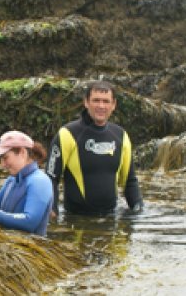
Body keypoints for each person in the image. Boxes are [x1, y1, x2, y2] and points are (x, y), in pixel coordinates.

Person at [45, 80, 143, 216]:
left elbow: (130, 181)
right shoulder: (67, 134)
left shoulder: (121, 136)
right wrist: (52, 211)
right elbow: (51, 177)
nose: (101, 106)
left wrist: (138, 211)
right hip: (75, 220)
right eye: (96, 100)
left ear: (113, 105)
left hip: (110, 219)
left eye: (106, 101)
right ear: (86, 102)